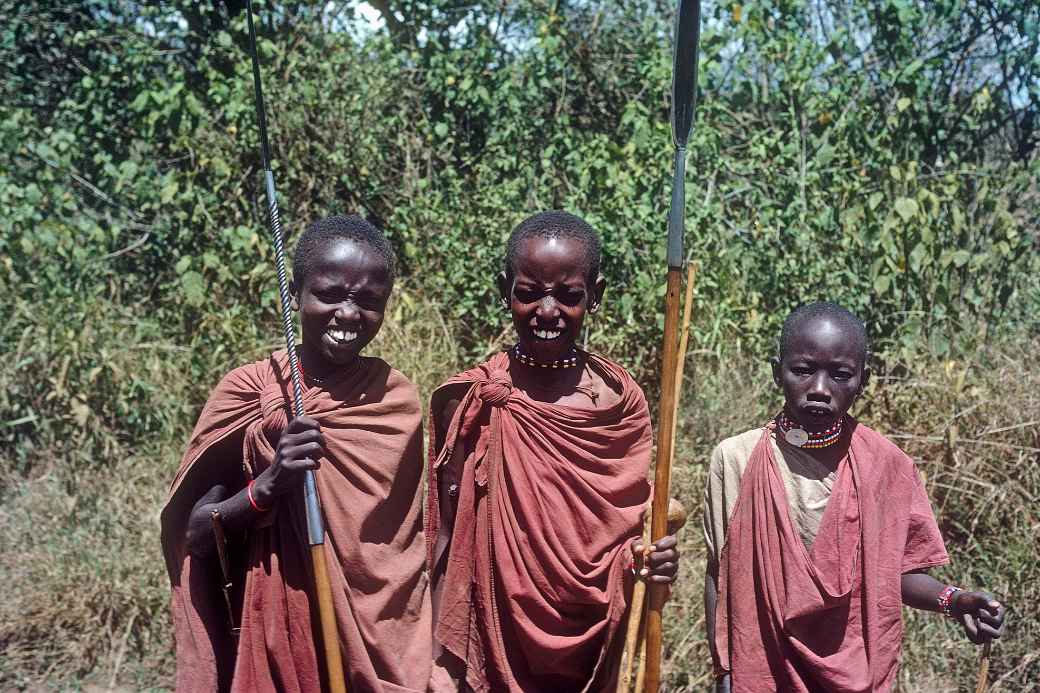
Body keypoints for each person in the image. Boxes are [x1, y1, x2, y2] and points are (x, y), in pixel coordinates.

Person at [160, 214, 432, 693]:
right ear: (294, 295)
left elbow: (397, 560)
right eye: (329, 294)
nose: (348, 315)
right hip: (274, 636)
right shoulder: (250, 395)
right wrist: (266, 487)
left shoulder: (393, 400)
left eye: (368, 301)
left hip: (376, 646)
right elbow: (195, 535)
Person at [426, 210, 680, 692]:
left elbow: (626, 533)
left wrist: (653, 560)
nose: (547, 311)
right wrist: (436, 664)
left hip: (592, 647)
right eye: (528, 293)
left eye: (568, 296)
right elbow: (445, 541)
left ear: (596, 296)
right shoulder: (472, 401)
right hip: (494, 637)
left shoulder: (618, 406)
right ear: (505, 291)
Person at [703, 301, 1007, 693]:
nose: (819, 389)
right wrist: (723, 669)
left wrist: (955, 599)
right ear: (777, 371)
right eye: (803, 370)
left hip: (859, 673)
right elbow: (719, 572)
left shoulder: (887, 466)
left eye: (840, 375)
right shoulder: (737, 459)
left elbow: (898, 573)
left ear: (863, 380)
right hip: (761, 672)